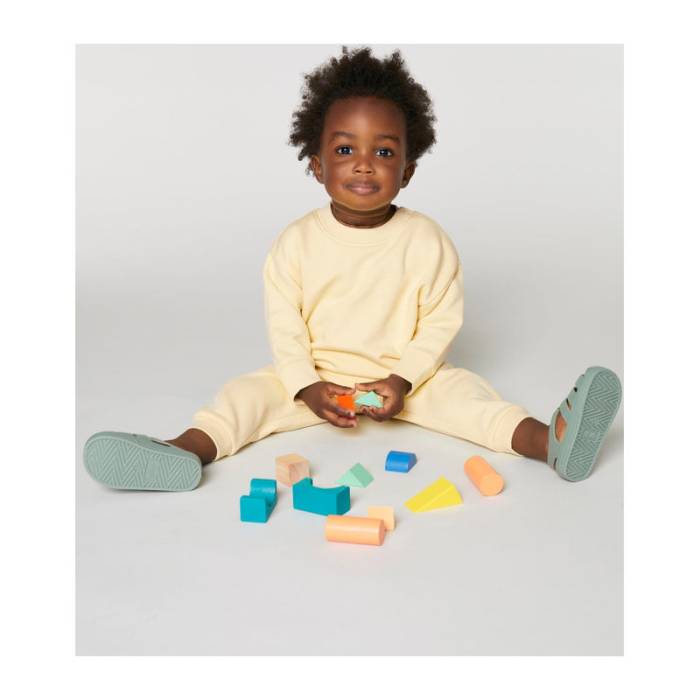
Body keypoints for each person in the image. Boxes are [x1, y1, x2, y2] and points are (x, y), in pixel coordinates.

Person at [83, 46, 621, 492]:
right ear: (317, 165)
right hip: (316, 378)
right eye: (345, 149)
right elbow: (285, 329)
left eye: (384, 153)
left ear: (407, 171)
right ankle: (184, 450)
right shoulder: (295, 243)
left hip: (407, 380)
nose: (364, 163)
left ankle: (548, 440)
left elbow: (439, 323)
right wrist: (305, 387)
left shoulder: (427, 240)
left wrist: (402, 379)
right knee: (243, 398)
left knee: (470, 400)